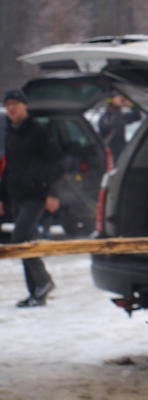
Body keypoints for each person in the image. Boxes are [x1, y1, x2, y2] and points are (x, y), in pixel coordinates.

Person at [0, 89, 64, 307]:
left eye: (15, 103)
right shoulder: (11, 133)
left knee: (19, 240)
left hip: (36, 195)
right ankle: (36, 291)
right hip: (17, 195)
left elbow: (56, 163)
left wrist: (52, 193)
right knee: (26, 242)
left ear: (24, 106)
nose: (11, 108)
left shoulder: (38, 131)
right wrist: (2, 197)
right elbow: (8, 168)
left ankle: (43, 282)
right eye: (8, 104)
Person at [98, 94, 141, 161]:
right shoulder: (105, 118)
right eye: (120, 100)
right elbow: (111, 126)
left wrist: (132, 106)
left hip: (122, 151)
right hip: (111, 152)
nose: (122, 103)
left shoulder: (121, 116)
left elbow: (137, 117)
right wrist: (116, 106)